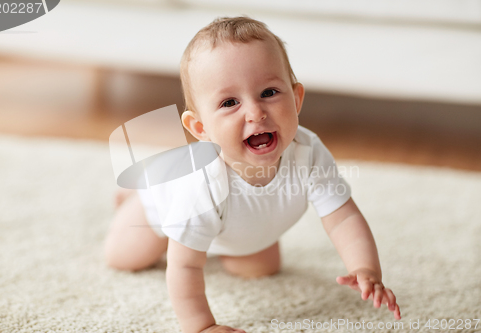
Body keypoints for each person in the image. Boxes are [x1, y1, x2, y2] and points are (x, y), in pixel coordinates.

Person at [104, 16, 401, 333]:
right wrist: (202, 326)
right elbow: (185, 265)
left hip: (238, 230)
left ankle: (204, 235)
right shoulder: (202, 186)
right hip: (161, 209)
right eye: (230, 102)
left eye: (269, 92)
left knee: (262, 267)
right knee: (125, 257)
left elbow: (342, 217)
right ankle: (134, 197)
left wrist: (365, 267)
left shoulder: (307, 151)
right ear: (201, 128)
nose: (256, 112)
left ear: (296, 98)